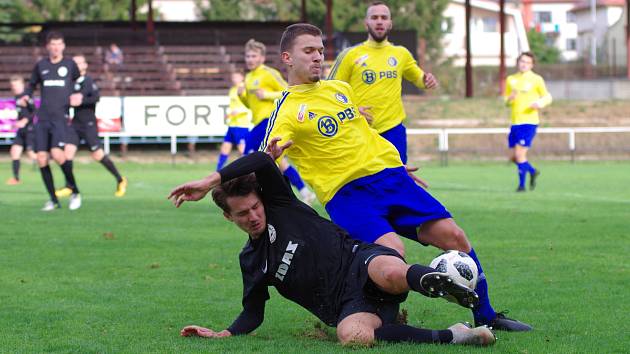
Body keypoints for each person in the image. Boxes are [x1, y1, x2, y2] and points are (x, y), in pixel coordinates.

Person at [261, 23, 532, 331]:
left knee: (455, 237)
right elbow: (262, 159)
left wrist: (395, 165)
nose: (318, 57)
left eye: (321, 51)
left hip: (390, 179)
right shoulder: (286, 108)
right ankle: (382, 318)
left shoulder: (339, 90)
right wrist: (266, 160)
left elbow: (362, 136)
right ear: (287, 58)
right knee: (393, 253)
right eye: (308, 51)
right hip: (348, 195)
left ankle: (487, 316)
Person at [168, 150, 495, 347]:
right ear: (229, 217)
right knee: (352, 337)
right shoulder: (252, 261)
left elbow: (262, 160)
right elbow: (253, 312)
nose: (253, 216)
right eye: (242, 213)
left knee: (389, 269)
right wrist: (224, 333)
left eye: (255, 207)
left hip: (361, 262)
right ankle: (456, 336)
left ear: (262, 200)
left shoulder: (282, 205)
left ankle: (437, 282)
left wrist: (210, 180)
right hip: (351, 306)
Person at [327, 2, 438, 164]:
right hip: (359, 129)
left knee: (398, 180)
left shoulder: (401, 54)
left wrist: (427, 80)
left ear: (390, 23)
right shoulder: (349, 55)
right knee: (363, 182)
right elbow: (330, 91)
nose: (379, 21)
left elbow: (419, 79)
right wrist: (351, 110)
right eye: (374, 17)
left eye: (384, 18)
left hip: (393, 129)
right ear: (366, 23)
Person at [238, 39, 315, 205]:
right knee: (278, 161)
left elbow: (287, 91)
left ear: (262, 58)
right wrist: (241, 96)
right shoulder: (249, 77)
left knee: (249, 156)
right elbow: (250, 104)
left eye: (253, 56)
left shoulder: (268, 73)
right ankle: (302, 191)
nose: (250, 59)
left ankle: (249, 195)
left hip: (269, 121)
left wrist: (267, 95)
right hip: (258, 122)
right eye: (248, 56)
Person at [20, 31, 82, 211]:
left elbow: (80, 82)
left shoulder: (70, 65)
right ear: (48, 46)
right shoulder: (41, 65)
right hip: (43, 117)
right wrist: (26, 95)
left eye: (58, 44)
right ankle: (53, 200)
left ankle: (74, 190)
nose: (55, 48)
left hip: (60, 117)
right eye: (52, 44)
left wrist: (78, 94)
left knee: (56, 153)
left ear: (63, 46)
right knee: (41, 158)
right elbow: (31, 85)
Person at [55, 54, 127, 198]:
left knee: (97, 155)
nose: (77, 65)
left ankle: (120, 179)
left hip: (88, 124)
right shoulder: (70, 82)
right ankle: (70, 186)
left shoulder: (88, 81)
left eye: (80, 63)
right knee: (66, 154)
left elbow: (96, 98)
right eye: (74, 63)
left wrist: (81, 101)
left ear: (85, 65)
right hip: (75, 124)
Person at [504, 52, 551, 192]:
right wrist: (509, 99)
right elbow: (506, 102)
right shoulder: (511, 79)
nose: (524, 64)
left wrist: (539, 103)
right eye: (522, 61)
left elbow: (547, 96)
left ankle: (521, 186)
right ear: (518, 62)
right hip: (515, 123)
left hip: (529, 122)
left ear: (532, 65)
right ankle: (532, 171)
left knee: (520, 155)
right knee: (514, 157)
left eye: (527, 62)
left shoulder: (537, 79)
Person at [216, 71, 252, 170]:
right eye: (233, 77)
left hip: (241, 125)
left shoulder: (244, 89)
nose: (234, 79)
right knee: (224, 148)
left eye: (236, 77)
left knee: (243, 151)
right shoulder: (232, 90)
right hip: (232, 124)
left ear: (242, 78)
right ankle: (217, 171)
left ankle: (247, 171)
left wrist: (239, 111)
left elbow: (249, 106)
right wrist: (229, 114)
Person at [6, 76, 36, 185]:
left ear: (22, 84)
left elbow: (34, 111)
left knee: (31, 154)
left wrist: (25, 120)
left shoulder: (26, 96)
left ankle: (57, 163)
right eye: (13, 86)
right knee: (14, 152)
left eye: (17, 85)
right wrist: (16, 124)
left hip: (29, 129)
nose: (15, 87)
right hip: (21, 130)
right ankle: (16, 178)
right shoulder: (17, 97)